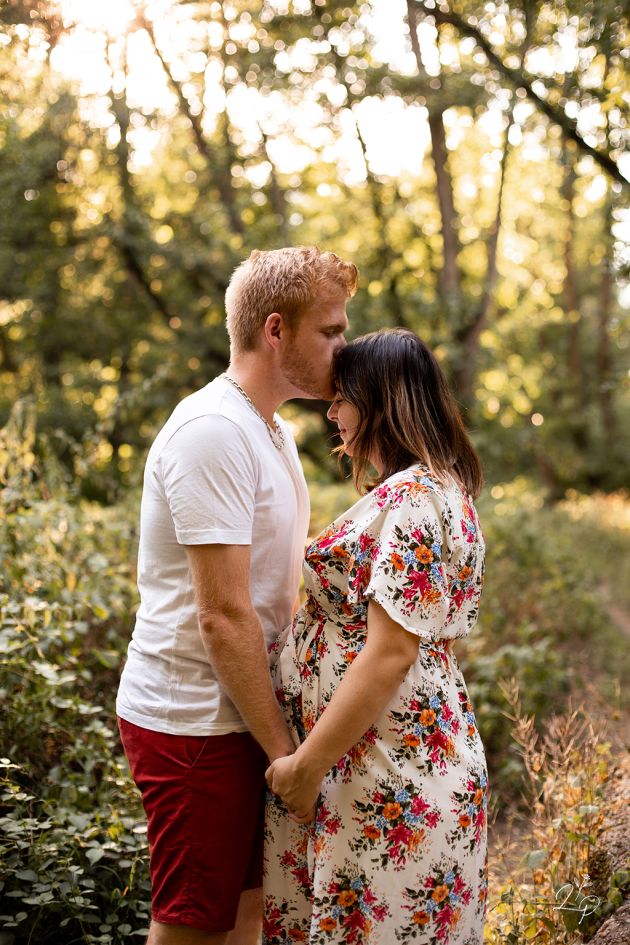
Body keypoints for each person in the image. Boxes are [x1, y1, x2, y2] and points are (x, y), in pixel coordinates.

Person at [116, 246, 358, 945]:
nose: (344, 347)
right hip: (194, 723)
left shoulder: (269, 429)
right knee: (193, 926)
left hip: (244, 716)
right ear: (275, 330)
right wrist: (289, 758)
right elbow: (222, 616)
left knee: (249, 916)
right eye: (331, 331)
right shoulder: (213, 432)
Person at [264, 328, 488, 944]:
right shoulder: (442, 486)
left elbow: (391, 652)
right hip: (385, 751)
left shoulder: (417, 496)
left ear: (380, 401)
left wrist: (306, 768)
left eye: (342, 398)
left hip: (388, 764)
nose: (331, 413)